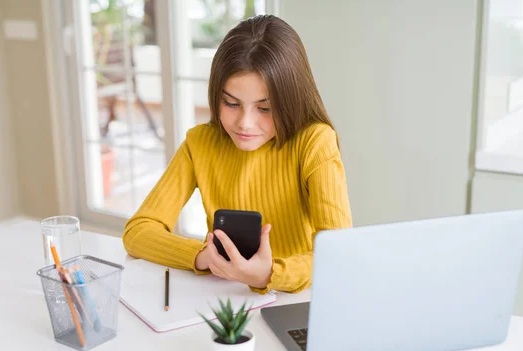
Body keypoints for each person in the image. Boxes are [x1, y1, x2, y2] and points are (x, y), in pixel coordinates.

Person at [123, 15, 352, 294]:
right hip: (225, 298)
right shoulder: (201, 143)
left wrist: (269, 274)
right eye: (231, 103)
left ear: (291, 100)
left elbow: (338, 254)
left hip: (295, 300)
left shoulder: (314, 142)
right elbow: (138, 231)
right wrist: (203, 256)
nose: (244, 122)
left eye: (264, 108)